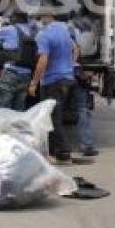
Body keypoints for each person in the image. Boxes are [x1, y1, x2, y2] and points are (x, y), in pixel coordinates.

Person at [28, 10, 76, 162]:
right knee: (56, 115)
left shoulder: (43, 35)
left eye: (40, 18)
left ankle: (62, 152)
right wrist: (70, 65)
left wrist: (34, 83)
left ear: (44, 18)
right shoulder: (64, 30)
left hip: (52, 80)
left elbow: (43, 60)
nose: (39, 21)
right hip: (66, 78)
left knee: (51, 117)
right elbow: (75, 49)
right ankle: (55, 151)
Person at [0, 14, 40, 111]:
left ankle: (3, 126)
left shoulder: (10, 29)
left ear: (14, 19)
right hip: (26, 74)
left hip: (10, 73)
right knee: (19, 108)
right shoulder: (33, 32)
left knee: (3, 109)